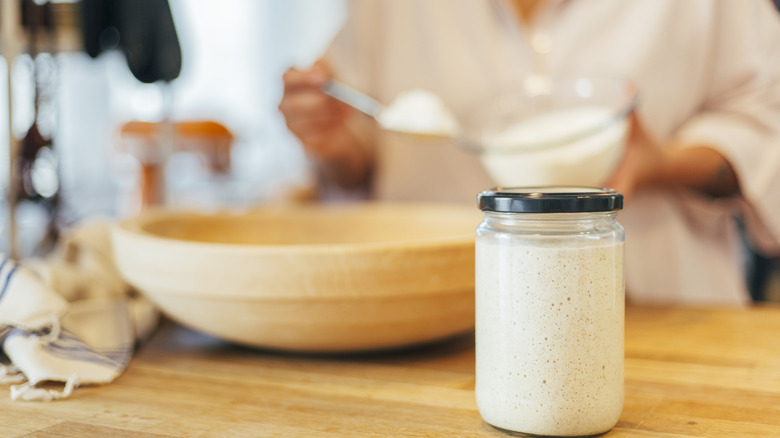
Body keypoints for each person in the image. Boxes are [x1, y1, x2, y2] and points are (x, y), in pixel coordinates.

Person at [278, 0, 780, 305]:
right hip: (429, 323)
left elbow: (765, 115)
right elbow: (358, 159)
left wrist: (663, 161)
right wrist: (333, 144)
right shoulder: (382, 11)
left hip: (668, 312)